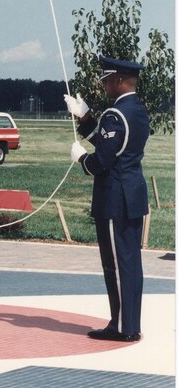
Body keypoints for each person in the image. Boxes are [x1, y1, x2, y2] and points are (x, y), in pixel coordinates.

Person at [65, 55, 150, 343]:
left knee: (116, 265)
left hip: (115, 198)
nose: (104, 86)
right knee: (129, 263)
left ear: (120, 81)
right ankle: (128, 323)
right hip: (132, 195)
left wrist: (81, 160)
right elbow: (111, 143)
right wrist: (85, 117)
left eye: (107, 80)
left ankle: (123, 327)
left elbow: (102, 159)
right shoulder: (136, 110)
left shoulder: (115, 115)